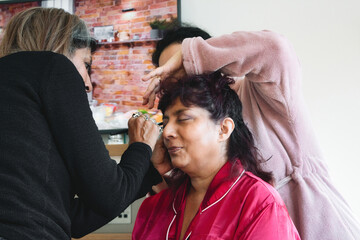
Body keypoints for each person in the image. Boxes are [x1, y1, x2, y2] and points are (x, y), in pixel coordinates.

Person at [142, 27, 360, 239]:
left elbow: (275, 48)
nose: (180, 86)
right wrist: (166, 172)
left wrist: (191, 55)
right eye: (170, 80)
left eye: (182, 70)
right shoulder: (187, 132)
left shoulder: (261, 95)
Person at [0, 7, 162, 240]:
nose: (87, 83)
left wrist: (153, 173)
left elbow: (68, 218)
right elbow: (110, 195)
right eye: (86, 65)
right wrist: (141, 146)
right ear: (58, 46)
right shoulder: (53, 67)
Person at [133, 73, 301, 239]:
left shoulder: (259, 203)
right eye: (165, 122)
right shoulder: (154, 206)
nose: (167, 132)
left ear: (223, 129)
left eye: (183, 119)